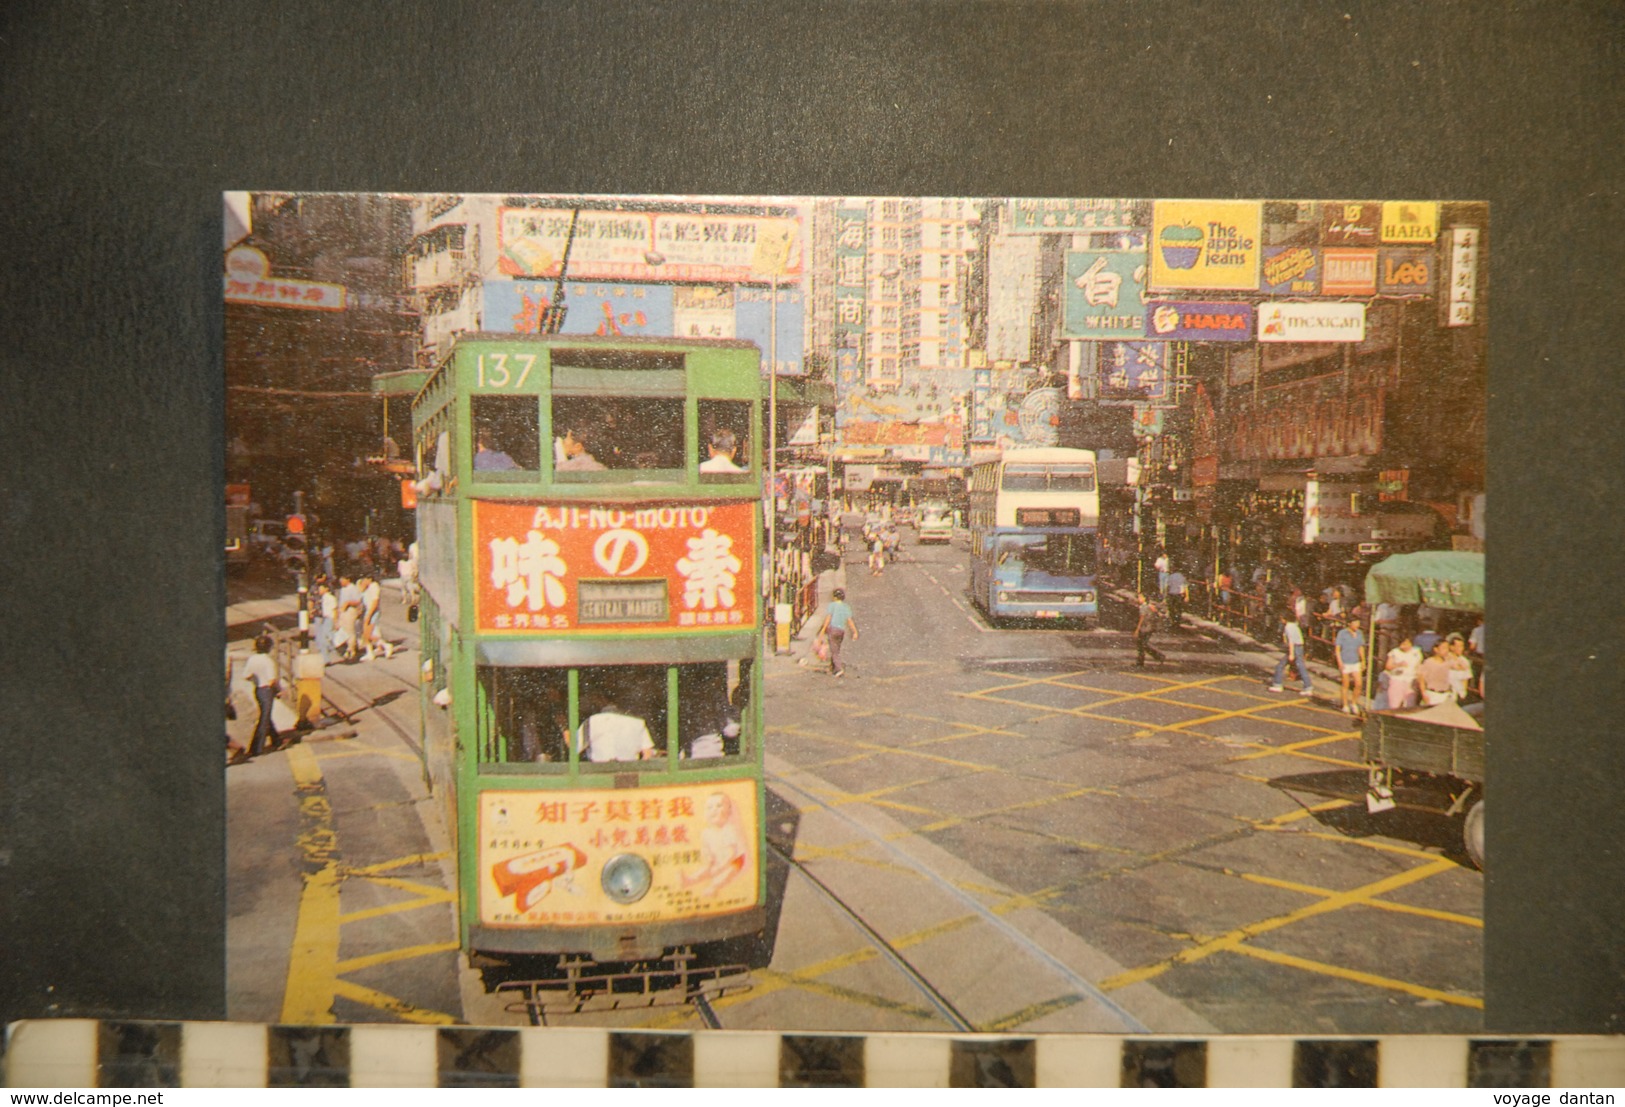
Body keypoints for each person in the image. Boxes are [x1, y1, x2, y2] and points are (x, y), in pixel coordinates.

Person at [577, 696, 659, 762]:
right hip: (631, 771)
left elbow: (575, 747)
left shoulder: (591, 721)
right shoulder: (638, 722)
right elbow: (647, 753)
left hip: (599, 771)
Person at [243, 633, 282, 757]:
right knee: (264, 719)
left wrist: (255, 679)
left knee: (265, 715)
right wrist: (278, 690)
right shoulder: (268, 661)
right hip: (267, 691)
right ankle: (256, 747)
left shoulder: (252, 659)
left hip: (257, 690)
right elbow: (272, 680)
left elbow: (246, 676)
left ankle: (277, 740)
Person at [817, 587, 859, 677]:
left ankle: (839, 669)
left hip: (833, 629)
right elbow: (849, 620)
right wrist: (854, 632)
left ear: (834, 597)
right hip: (841, 631)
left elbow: (828, 618)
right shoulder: (845, 607)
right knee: (836, 649)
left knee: (834, 651)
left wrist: (823, 629)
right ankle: (833, 668)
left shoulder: (832, 605)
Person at [1270, 611, 1313, 696]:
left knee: (1281, 666)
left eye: (1282, 618)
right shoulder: (1294, 625)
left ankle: (1277, 684)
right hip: (1299, 647)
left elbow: (1291, 641)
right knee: (1301, 666)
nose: (1281, 620)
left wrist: (1291, 654)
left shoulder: (1288, 627)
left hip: (1294, 648)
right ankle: (1308, 686)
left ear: (1285, 619)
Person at [1334, 616, 1367, 716]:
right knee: (1346, 684)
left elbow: (1360, 647)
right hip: (1345, 662)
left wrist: (1363, 660)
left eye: (1358, 623)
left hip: (1355, 662)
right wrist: (1340, 662)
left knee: (1358, 684)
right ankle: (1345, 705)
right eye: (1355, 623)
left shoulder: (1359, 633)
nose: (1357, 625)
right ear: (1349, 623)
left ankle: (1353, 703)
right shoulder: (1342, 633)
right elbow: (1337, 649)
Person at [1383, 634, 1424, 710]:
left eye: (1407, 644)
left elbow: (1419, 666)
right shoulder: (1395, 652)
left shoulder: (1416, 652)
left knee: (1410, 704)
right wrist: (1398, 664)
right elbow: (1388, 666)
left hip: (1411, 681)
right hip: (1397, 680)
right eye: (1403, 644)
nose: (1405, 646)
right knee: (1394, 704)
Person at [1418, 638, 1456, 706]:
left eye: (1447, 648)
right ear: (1436, 649)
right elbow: (1421, 679)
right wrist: (1423, 694)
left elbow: (1463, 668)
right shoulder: (1428, 662)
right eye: (1444, 648)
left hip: (1446, 694)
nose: (1446, 650)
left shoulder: (1449, 662)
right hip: (1433, 694)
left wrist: (1454, 657)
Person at [1134, 592, 1167, 667]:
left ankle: (1157, 657)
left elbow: (1142, 618)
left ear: (1145, 598)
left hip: (1145, 628)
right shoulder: (1149, 606)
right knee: (1143, 644)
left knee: (1142, 645)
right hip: (1150, 627)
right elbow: (1158, 613)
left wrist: (1137, 629)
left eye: (1140, 597)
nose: (1139, 599)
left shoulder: (1143, 607)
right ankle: (1157, 657)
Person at [1446, 633, 1474, 702]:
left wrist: (1463, 694)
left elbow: (1465, 679)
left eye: (1462, 646)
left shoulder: (1465, 661)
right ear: (1451, 647)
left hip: (1459, 694)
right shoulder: (1445, 659)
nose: (1461, 649)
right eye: (1458, 646)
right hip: (1447, 694)